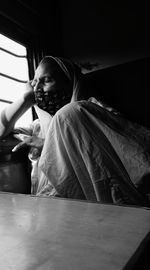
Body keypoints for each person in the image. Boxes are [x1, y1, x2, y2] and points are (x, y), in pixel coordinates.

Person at [0, 56, 150, 207]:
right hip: (54, 207)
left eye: (46, 80)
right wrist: (25, 99)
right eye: (35, 82)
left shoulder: (89, 111)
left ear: (69, 83)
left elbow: (122, 150)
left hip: (101, 200)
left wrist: (47, 145)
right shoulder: (37, 127)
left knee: (69, 114)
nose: (38, 88)